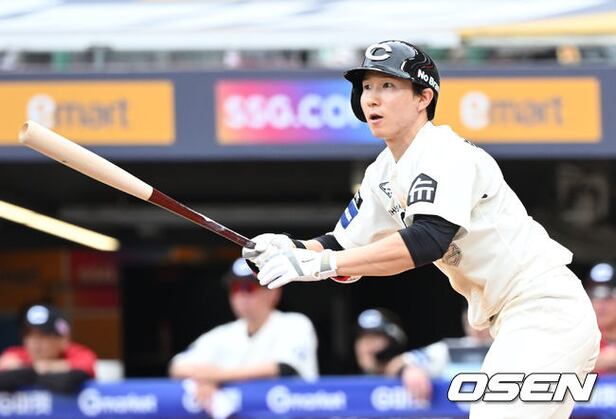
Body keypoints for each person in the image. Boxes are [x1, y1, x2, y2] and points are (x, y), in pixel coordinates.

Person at [243, 40, 600, 418]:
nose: (372, 98)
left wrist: (320, 264)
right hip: (516, 320)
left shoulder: (444, 152)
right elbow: (342, 246)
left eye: (388, 86)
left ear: (423, 97)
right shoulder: (381, 172)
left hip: (544, 308)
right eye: (367, 87)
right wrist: (288, 249)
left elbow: (427, 240)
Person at [169, 258, 318, 409]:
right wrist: (207, 379)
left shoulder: (295, 323)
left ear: (274, 292)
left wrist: (214, 378)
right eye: (235, 288)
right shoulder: (224, 333)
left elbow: (281, 369)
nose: (241, 296)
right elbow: (177, 366)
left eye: (249, 288)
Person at [385, 306, 493, 403]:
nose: (478, 326)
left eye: (484, 319)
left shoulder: (503, 346)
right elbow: (395, 364)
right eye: (471, 318)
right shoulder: (449, 349)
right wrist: (409, 370)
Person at [0, 304, 97, 393]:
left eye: (43, 336)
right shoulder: (15, 354)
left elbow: (85, 367)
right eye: (29, 335)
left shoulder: (77, 353)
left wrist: (31, 370)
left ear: (62, 340)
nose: (35, 342)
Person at [353, 308, 407, 375]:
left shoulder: (410, 367)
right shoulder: (346, 373)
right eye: (362, 336)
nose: (367, 342)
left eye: (375, 335)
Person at [586, 262, 616, 373]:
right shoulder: (580, 339)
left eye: (609, 295)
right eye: (594, 295)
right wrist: (594, 364)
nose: (600, 304)